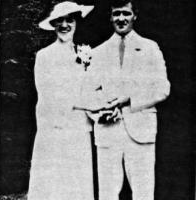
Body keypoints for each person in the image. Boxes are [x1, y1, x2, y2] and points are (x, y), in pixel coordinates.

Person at [75, 0, 171, 200]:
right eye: (116, 14)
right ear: (110, 17)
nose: (121, 19)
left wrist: (129, 99)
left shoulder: (150, 48)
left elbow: (162, 88)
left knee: (143, 193)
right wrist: (102, 112)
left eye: (125, 13)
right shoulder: (98, 52)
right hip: (108, 131)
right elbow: (86, 93)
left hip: (141, 130)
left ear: (134, 15)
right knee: (108, 193)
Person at [27, 2, 94, 200]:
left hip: (80, 130)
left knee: (77, 184)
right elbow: (49, 97)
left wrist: (99, 108)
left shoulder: (84, 54)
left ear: (76, 23)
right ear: (54, 24)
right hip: (54, 130)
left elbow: (90, 89)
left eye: (70, 20)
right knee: (54, 184)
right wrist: (88, 105)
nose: (65, 25)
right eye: (60, 21)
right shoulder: (44, 56)